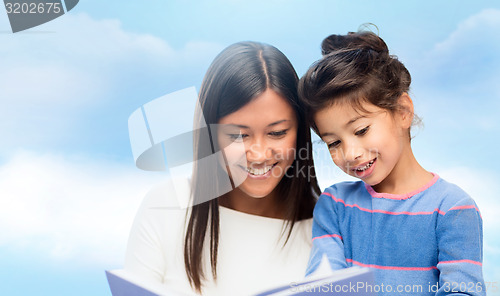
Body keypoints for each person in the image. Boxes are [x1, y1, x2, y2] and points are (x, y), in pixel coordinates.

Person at [124, 41, 321, 295]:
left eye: (277, 132)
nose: (259, 155)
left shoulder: (326, 227)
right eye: (238, 135)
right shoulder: (165, 206)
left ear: (300, 131)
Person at [298, 31, 485, 295]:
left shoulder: (452, 209)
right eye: (333, 143)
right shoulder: (336, 207)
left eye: (361, 130)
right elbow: (325, 286)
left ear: (402, 112)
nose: (350, 153)